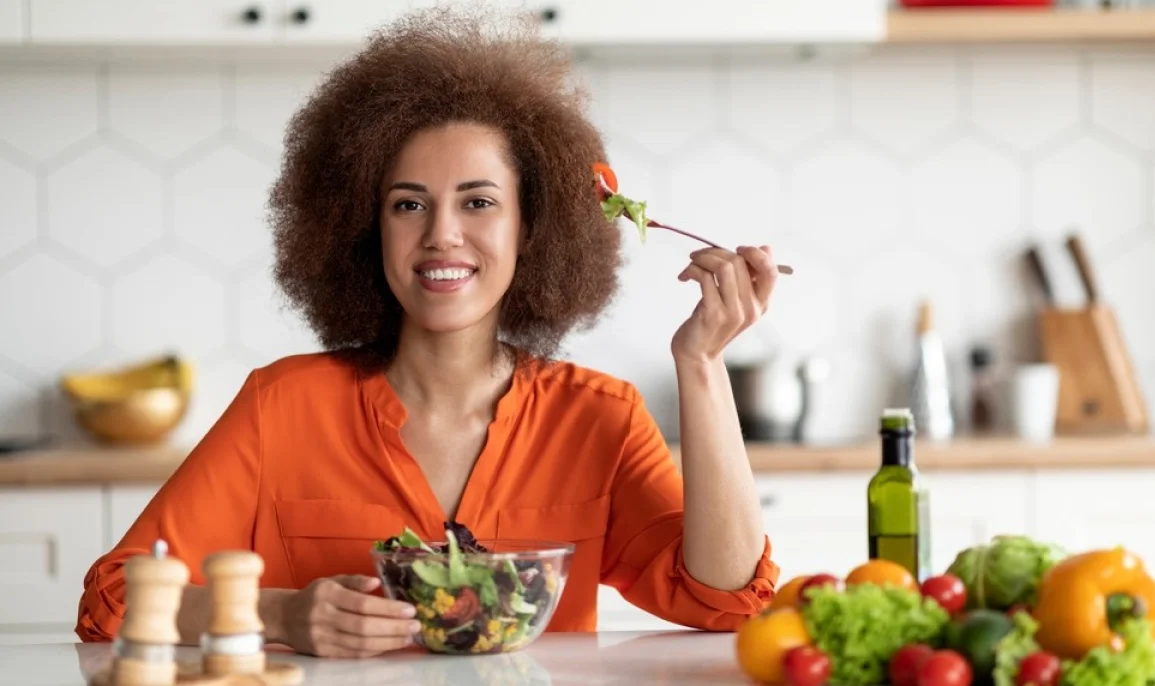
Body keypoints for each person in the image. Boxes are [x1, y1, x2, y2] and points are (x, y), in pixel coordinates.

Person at [75, 5, 781, 658]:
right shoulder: (280, 408)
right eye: (408, 205)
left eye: (478, 202)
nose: (442, 234)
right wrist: (280, 615)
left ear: (529, 228)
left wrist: (702, 364)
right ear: (368, 228)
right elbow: (112, 602)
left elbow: (726, 599)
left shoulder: (601, 418)